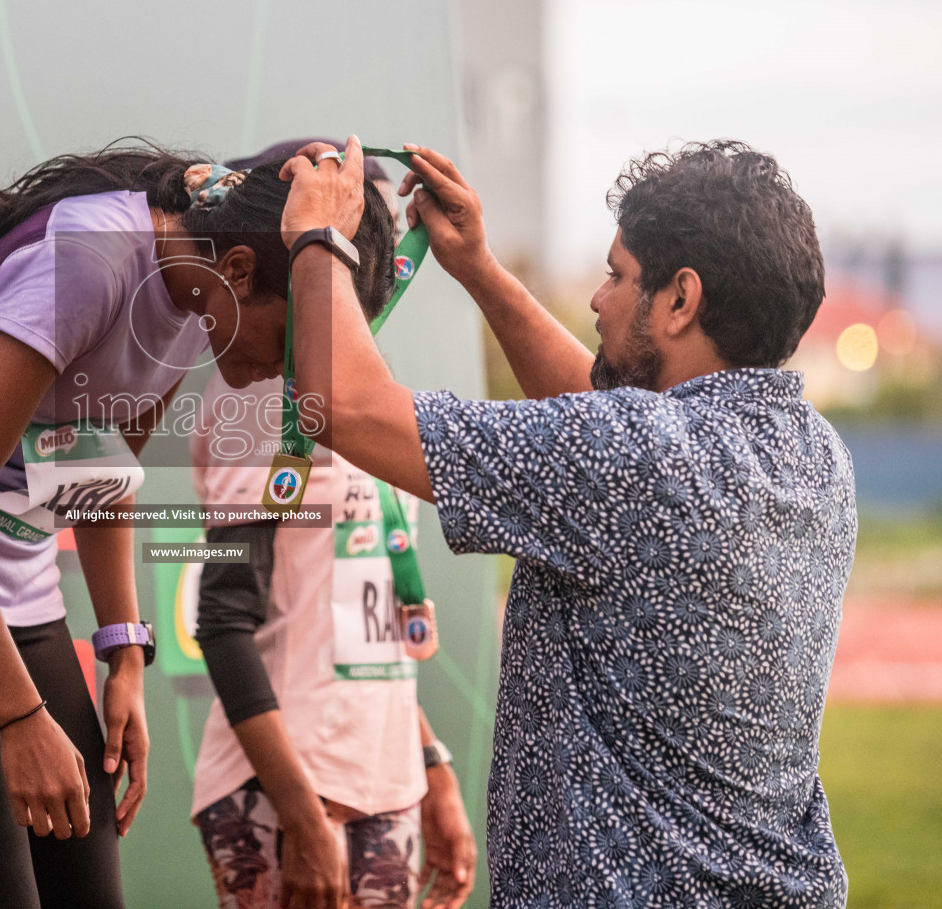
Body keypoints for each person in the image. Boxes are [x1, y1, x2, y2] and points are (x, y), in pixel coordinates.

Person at [0, 143, 398, 908]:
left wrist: (123, 650)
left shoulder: (202, 294)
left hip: (21, 595)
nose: (293, 379)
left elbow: (100, 467)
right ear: (244, 274)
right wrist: (22, 716)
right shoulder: (91, 261)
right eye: (293, 347)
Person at [277, 136, 852, 907]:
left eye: (618, 277)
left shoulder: (632, 459)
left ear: (681, 300)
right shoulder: (816, 455)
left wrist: (321, 238)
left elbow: (344, 406)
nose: (597, 299)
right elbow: (597, 424)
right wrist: (478, 268)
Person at [187, 139, 476, 909]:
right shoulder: (260, 405)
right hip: (288, 794)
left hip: (384, 783)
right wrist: (301, 815)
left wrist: (431, 770)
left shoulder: (375, 411)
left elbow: (358, 623)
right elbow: (223, 622)